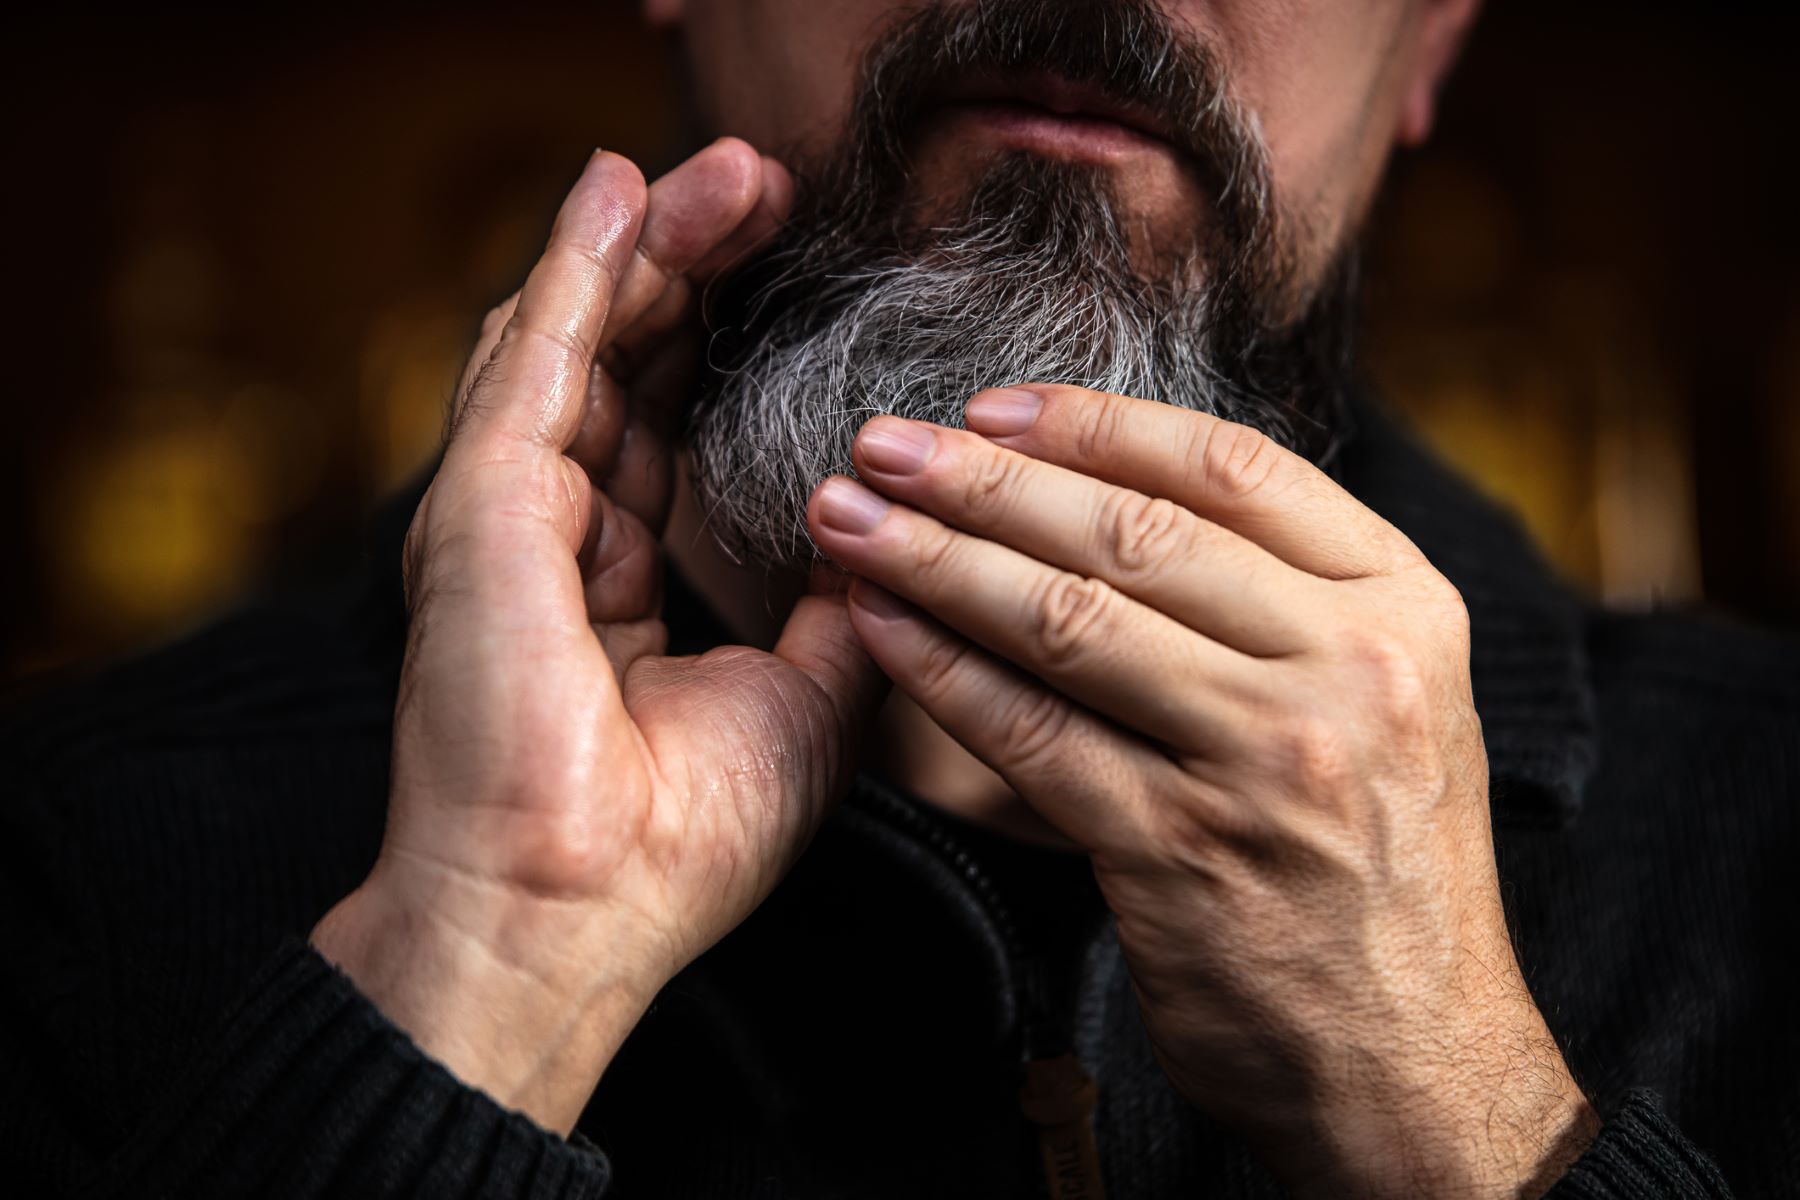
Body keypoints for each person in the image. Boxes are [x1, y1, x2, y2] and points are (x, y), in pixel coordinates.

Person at [4, 0, 1795, 1195]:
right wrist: (471, 976)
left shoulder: (1778, 846)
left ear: (1434, 39)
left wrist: (1474, 1121)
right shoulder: (66, 872)